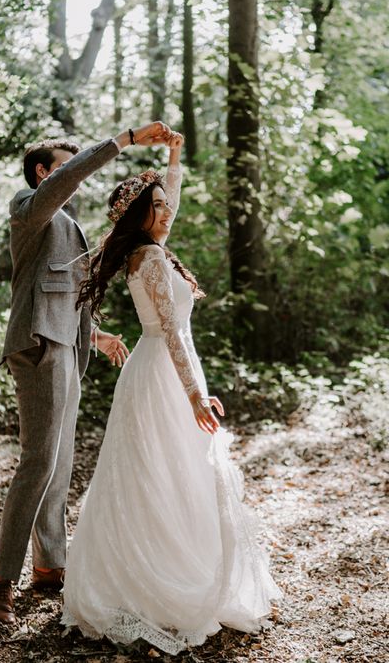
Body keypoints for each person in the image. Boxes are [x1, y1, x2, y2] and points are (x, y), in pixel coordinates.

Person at [61, 133, 281, 654]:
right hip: (164, 372)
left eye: (164, 205)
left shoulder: (148, 250)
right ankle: (159, 577)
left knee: (169, 470)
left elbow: (171, 201)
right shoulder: (154, 260)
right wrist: (195, 396)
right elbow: (174, 333)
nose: (166, 212)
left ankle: (168, 562)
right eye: (156, 207)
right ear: (139, 216)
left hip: (154, 368)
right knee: (164, 470)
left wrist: (174, 159)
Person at [0, 122, 174, 625]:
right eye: (64, 168)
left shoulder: (71, 225)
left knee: (60, 463)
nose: (75, 178)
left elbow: (65, 293)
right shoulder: (30, 209)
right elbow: (65, 186)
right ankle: (1, 581)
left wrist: (96, 336)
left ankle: (50, 566)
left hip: (68, 346)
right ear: (44, 173)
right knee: (38, 461)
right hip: (39, 346)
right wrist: (125, 140)